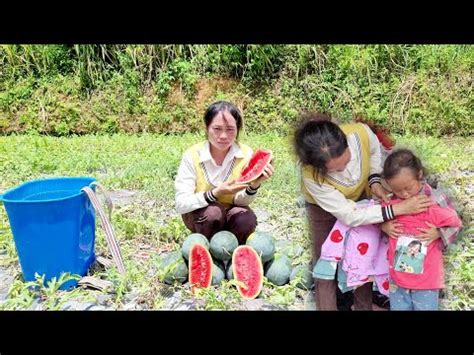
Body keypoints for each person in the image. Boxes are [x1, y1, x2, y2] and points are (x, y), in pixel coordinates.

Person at [293, 113, 434, 310]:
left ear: (346, 142)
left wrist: (373, 180)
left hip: (362, 195)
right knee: (326, 263)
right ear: (318, 168)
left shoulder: (362, 133)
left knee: (363, 252)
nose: (344, 169)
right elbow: (349, 216)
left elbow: (375, 152)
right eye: (335, 170)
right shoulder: (311, 177)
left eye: (346, 160)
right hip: (324, 208)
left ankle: (363, 306)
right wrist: (397, 209)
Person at [175, 100, 274, 244]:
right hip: (201, 216)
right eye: (217, 128)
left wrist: (254, 185)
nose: (223, 136)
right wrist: (215, 193)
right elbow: (181, 203)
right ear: (206, 127)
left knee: (246, 218)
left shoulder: (245, 154)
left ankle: (234, 251)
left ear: (238, 129)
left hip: (230, 215)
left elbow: (239, 201)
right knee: (213, 213)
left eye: (230, 129)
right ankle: (207, 249)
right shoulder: (192, 155)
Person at [381, 149, 462, 310]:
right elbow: (375, 216)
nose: (404, 194)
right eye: (397, 190)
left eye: (408, 188)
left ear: (419, 174)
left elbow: (456, 224)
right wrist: (384, 226)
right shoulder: (391, 203)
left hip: (426, 279)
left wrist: (438, 233)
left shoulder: (434, 201)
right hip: (398, 278)